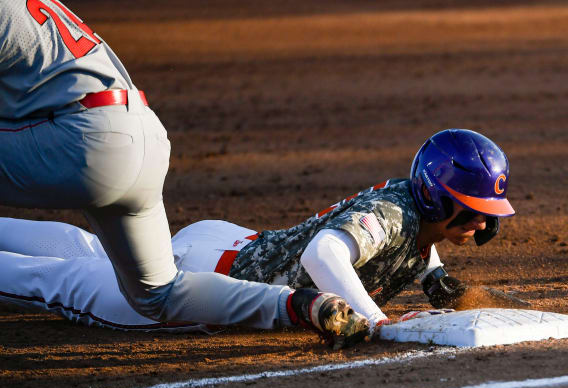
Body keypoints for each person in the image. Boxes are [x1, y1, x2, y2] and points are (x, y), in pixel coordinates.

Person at [0, 0, 368, 348]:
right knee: (157, 294)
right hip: (141, 132)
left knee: (75, 279)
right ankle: (298, 305)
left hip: (82, 141)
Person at [0, 129, 515, 336]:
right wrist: (377, 321)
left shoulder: (409, 213)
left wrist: (438, 284)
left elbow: (406, 244)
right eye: (470, 209)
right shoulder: (394, 213)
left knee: (90, 251)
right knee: (60, 279)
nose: (481, 222)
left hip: (224, 245)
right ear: (435, 195)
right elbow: (322, 254)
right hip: (203, 283)